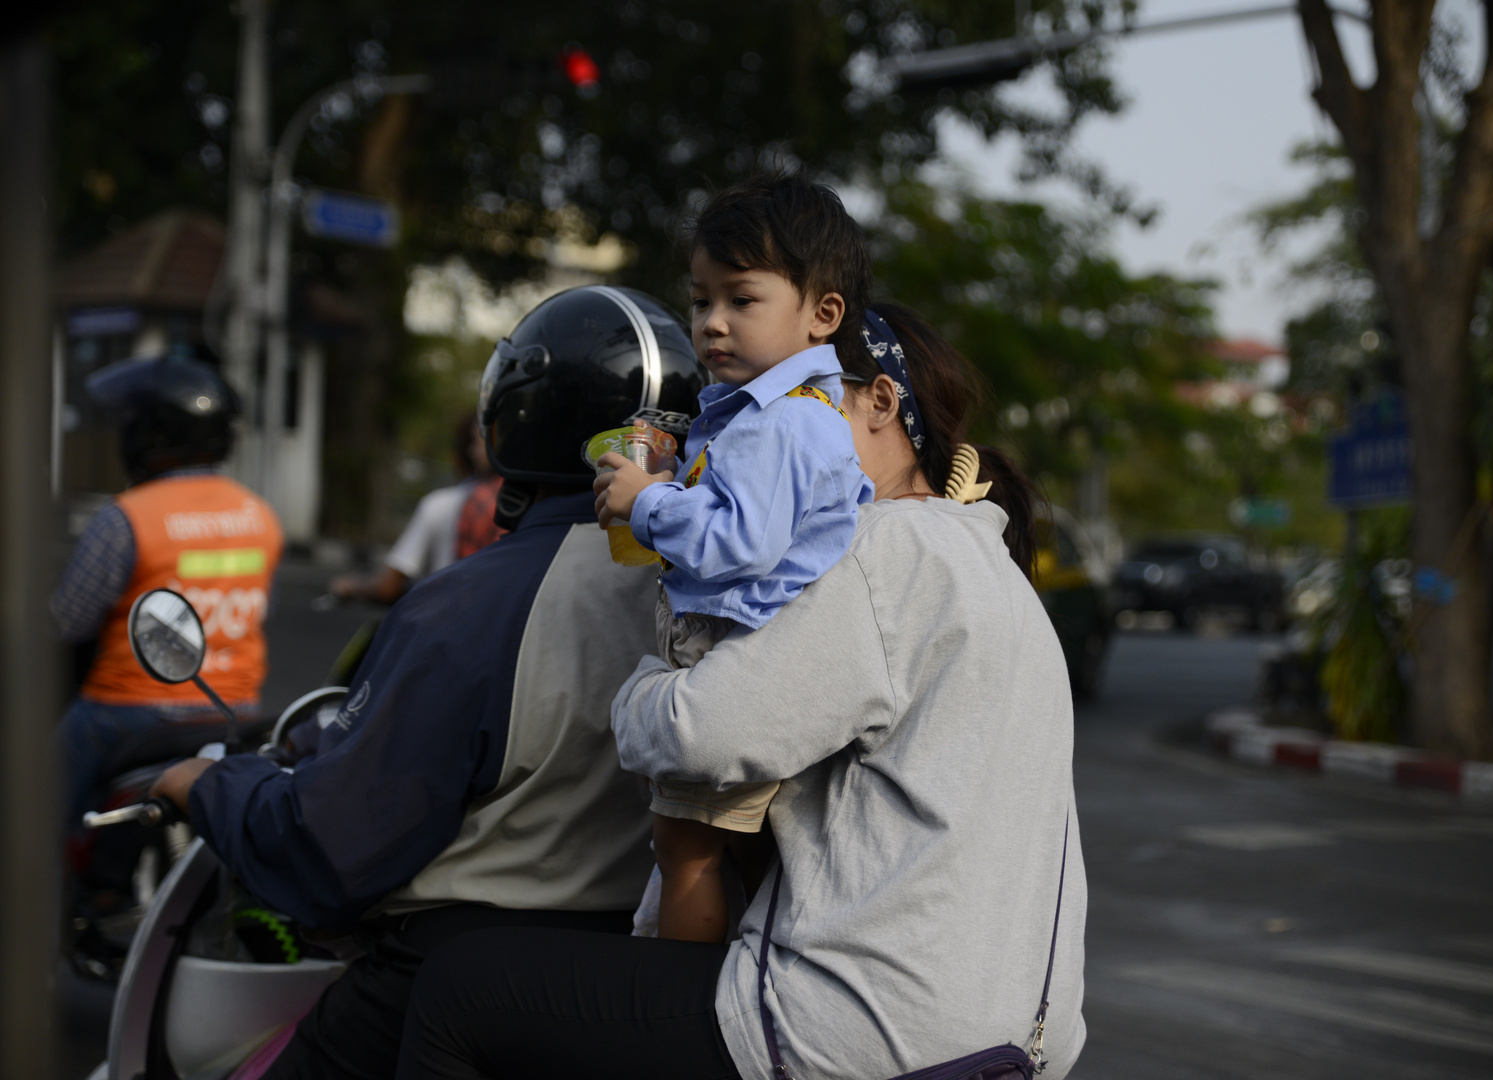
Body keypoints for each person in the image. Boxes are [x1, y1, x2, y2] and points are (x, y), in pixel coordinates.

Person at [396, 301, 1086, 1080]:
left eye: (807, 401)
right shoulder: (985, 558)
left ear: (881, 404)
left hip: (865, 1024)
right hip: (1016, 1033)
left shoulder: (883, 548)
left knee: (459, 989)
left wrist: (651, 682)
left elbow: (702, 734)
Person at [149, 286, 707, 1080]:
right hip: (633, 992)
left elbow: (332, 851)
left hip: (445, 984)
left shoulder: (473, 602)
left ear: (522, 412)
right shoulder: (717, 586)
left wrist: (204, 786)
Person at [593, 172, 874, 942]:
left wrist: (644, 501)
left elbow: (739, 542)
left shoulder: (780, 423)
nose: (712, 324)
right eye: (700, 300)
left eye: (741, 300)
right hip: (748, 653)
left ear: (823, 315)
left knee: (684, 851)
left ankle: (671, 1000)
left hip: (730, 651)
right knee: (712, 849)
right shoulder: (784, 416)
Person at [54, 348, 282, 834]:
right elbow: (260, 610)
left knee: (33, 808)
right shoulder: (260, 515)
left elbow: (69, 623)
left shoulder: (127, 516)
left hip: (127, 713)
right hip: (234, 712)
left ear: (152, 435)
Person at [329, 411, 499, 605]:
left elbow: (388, 587)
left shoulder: (445, 505)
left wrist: (350, 587)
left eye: (478, 441)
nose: (473, 451)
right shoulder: (530, 508)